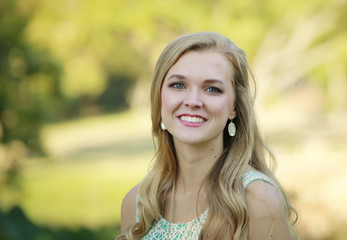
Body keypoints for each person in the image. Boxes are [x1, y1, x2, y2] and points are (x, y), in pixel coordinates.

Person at [117, 32, 297, 240]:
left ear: (234, 107)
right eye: (178, 85)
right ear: (159, 97)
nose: (193, 101)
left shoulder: (257, 200)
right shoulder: (138, 203)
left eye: (212, 89)